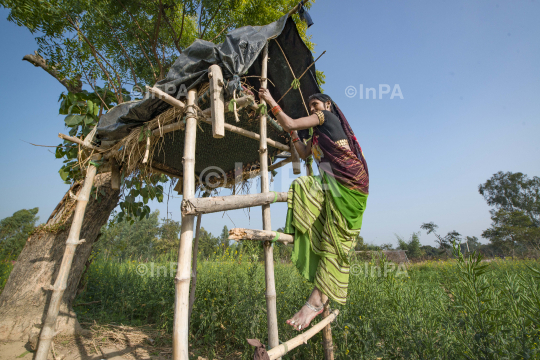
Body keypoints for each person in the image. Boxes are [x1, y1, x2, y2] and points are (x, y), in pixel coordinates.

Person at [258, 88, 369, 331]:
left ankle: (316, 300)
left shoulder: (327, 118)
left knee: (334, 236)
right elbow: (304, 152)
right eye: (311, 107)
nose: (313, 109)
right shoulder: (318, 135)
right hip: (334, 186)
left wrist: (269, 100)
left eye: (316, 104)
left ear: (327, 106)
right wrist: (295, 136)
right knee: (323, 221)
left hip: (349, 183)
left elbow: (289, 122)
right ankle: (318, 296)